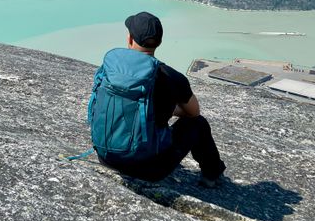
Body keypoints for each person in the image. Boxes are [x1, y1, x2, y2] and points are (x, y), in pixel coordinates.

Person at [88, 11, 226, 186]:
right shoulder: (171, 77)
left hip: (106, 157)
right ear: (159, 42)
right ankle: (212, 175)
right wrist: (169, 109)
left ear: (129, 39)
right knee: (198, 124)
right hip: (149, 170)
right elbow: (193, 113)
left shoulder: (111, 69)